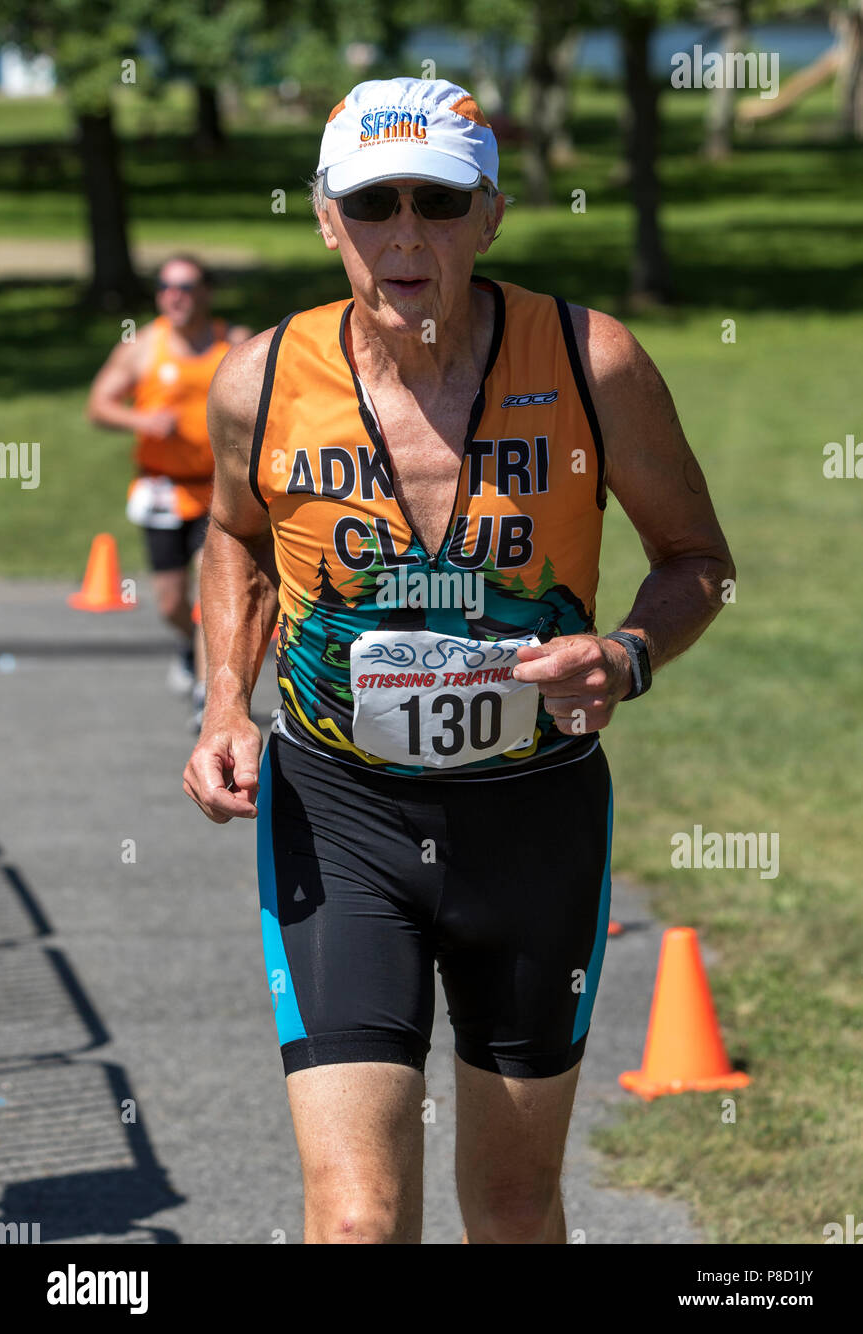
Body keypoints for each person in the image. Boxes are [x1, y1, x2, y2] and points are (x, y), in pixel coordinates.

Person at [182, 77, 735, 1244]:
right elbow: (233, 536)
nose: (403, 235)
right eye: (370, 202)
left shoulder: (592, 360)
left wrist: (628, 655)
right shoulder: (261, 379)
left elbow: (698, 560)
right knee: (354, 1220)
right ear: (326, 217)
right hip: (338, 813)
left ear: (488, 213)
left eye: (435, 201)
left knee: (512, 1210)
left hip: (532, 820)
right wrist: (226, 701)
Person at [87, 255, 252, 729]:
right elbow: (99, 404)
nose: (174, 294)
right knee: (169, 602)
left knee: (209, 587)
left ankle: (208, 693)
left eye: (185, 285)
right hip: (162, 489)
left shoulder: (235, 343)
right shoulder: (142, 346)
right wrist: (141, 420)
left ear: (206, 292)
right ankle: (189, 646)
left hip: (219, 490)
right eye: (165, 286)